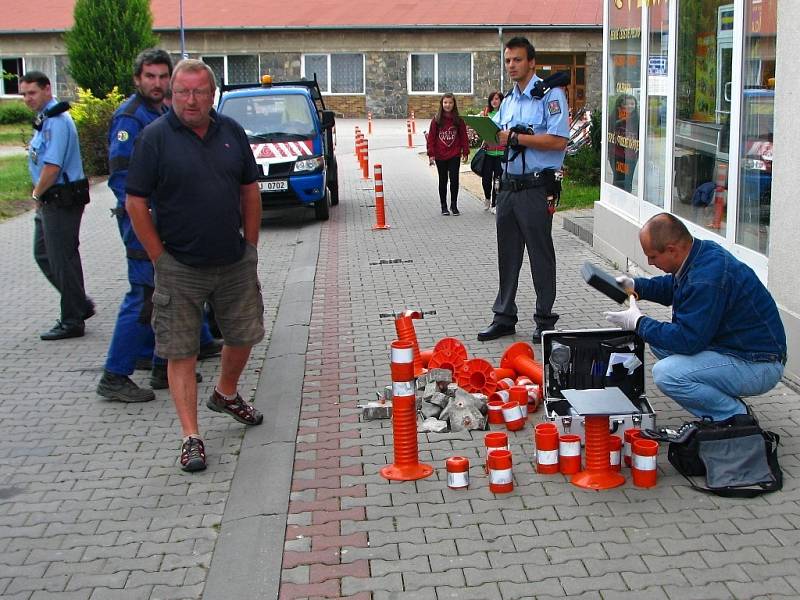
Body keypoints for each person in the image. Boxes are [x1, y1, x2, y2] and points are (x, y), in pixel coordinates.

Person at [125, 59, 265, 472]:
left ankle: (226, 392)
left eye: (198, 91)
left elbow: (250, 191)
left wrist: (251, 247)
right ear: (171, 94)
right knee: (181, 351)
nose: (190, 99)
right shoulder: (154, 138)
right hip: (180, 264)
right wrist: (158, 257)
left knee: (245, 334)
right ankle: (191, 436)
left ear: (212, 94)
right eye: (181, 91)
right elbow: (135, 202)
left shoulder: (231, 133)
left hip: (233, 260)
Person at [96, 49, 221, 404]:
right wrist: (147, 220)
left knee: (167, 294)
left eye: (163, 76)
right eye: (149, 76)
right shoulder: (130, 119)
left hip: (167, 222)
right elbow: (122, 181)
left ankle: (161, 365)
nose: (157, 83)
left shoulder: (162, 112)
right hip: (141, 223)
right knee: (144, 299)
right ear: (137, 79)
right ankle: (114, 375)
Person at [605, 212, 787, 421]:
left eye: (653, 256)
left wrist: (638, 322)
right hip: (738, 349)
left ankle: (736, 418)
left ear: (672, 250)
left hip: (760, 364)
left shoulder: (707, 279)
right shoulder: (699, 254)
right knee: (660, 342)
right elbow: (672, 287)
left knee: (667, 374)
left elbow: (687, 340)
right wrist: (635, 286)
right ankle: (716, 393)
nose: (650, 262)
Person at [477, 36, 569, 343]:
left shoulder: (549, 94)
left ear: (531, 61)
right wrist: (489, 136)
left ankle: (545, 319)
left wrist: (517, 139)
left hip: (535, 187)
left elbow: (558, 140)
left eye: (517, 60)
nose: (512, 66)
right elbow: (500, 139)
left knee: (540, 255)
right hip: (508, 188)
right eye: (508, 61)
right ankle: (504, 317)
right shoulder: (509, 100)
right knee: (508, 255)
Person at [20, 71, 94, 341]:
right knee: (44, 254)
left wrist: (37, 194)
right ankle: (78, 302)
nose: (28, 98)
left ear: (47, 89)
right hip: (51, 198)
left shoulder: (57, 121)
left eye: (33, 92)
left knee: (62, 259)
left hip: (60, 197)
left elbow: (53, 167)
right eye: (24, 93)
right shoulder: (45, 120)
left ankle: (72, 319)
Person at [426, 93, 469, 216]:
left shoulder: (458, 120)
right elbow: (432, 138)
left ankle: (454, 205)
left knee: (454, 180)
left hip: (454, 154)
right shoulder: (436, 119)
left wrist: (465, 151)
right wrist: (431, 154)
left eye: (450, 102)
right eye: (445, 102)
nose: (447, 105)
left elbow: (463, 136)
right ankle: (444, 205)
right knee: (443, 180)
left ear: (454, 104)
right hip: (440, 155)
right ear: (441, 104)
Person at [480, 91, 505, 213]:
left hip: (501, 152)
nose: (494, 101)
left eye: (497, 99)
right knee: (486, 179)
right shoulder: (486, 114)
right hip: (488, 152)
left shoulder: (505, 114)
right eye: (492, 99)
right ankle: (487, 198)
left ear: (501, 100)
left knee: (498, 179)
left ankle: (495, 204)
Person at [608, 93, 639, 192]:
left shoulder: (637, 120)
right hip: (616, 155)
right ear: (620, 105)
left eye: (632, 104)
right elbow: (609, 135)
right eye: (627, 104)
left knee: (627, 181)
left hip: (631, 157)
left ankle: (628, 201)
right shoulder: (614, 119)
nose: (630, 106)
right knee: (617, 180)